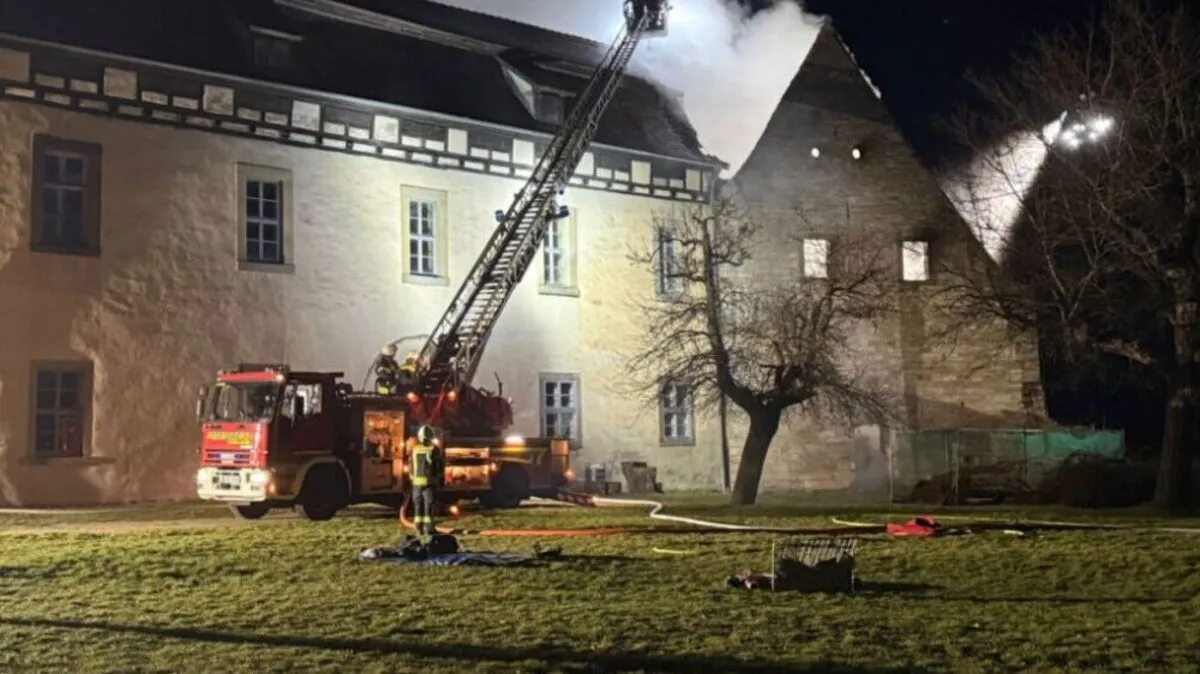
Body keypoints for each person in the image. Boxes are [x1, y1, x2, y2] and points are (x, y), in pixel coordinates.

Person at [408, 425, 441, 536]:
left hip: (416, 483)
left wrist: (412, 476)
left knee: (418, 506)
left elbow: (411, 465)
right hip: (429, 482)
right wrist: (438, 478)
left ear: (419, 436)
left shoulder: (415, 449)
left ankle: (418, 528)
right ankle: (429, 528)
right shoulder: (434, 449)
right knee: (429, 505)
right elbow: (438, 466)